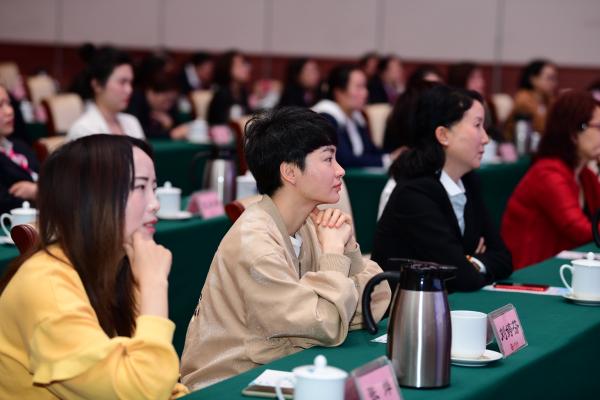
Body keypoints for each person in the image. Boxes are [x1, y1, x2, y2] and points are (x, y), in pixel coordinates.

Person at [181, 107, 391, 389]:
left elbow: (375, 301)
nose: (340, 170)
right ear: (290, 172)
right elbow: (327, 324)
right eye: (328, 158)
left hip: (279, 371)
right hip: (228, 384)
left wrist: (348, 245)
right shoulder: (255, 244)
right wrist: (332, 255)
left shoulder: (310, 223)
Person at [0, 135, 187, 399]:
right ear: (92, 197)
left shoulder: (118, 262)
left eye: (153, 188)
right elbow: (143, 390)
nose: (155, 203)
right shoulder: (46, 286)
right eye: (140, 187)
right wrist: (153, 284)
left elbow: (161, 381)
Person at [371, 85, 513, 291]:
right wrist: (471, 261)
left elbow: (504, 258)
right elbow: (462, 278)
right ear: (443, 135)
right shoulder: (414, 194)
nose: (486, 138)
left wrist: (471, 262)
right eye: (477, 125)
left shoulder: (468, 181)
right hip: (405, 307)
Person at [502, 91, 600, 269]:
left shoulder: (586, 176)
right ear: (574, 132)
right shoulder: (547, 174)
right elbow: (579, 229)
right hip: (530, 274)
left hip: (563, 267)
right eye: (599, 127)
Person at [313, 64, 390, 168]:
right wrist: (386, 160)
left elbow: (371, 150)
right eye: (359, 87)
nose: (366, 93)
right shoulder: (325, 118)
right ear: (339, 92)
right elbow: (344, 160)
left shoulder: (355, 116)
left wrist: (393, 156)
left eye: (365, 87)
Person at [67, 46, 145, 140]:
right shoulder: (83, 129)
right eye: (122, 82)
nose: (129, 90)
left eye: (130, 83)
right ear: (97, 85)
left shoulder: (132, 122)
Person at [0, 85, 39, 215]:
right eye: (0, 106)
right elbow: (5, 203)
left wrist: (37, 191)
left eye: (8, 103)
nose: (9, 111)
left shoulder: (19, 145)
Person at [504, 59, 558, 141]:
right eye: (550, 78)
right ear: (533, 79)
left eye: (555, 79)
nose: (554, 83)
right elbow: (540, 128)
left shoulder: (549, 100)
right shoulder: (523, 99)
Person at [128, 74, 189, 140]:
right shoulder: (133, 101)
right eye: (166, 100)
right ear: (151, 92)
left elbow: (177, 128)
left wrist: (169, 126)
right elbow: (136, 133)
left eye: (172, 101)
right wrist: (169, 134)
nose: (168, 106)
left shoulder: (171, 107)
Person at [207, 50, 251, 125]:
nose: (246, 68)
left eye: (245, 64)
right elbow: (219, 123)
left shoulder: (243, 92)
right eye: (240, 65)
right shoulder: (221, 94)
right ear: (228, 69)